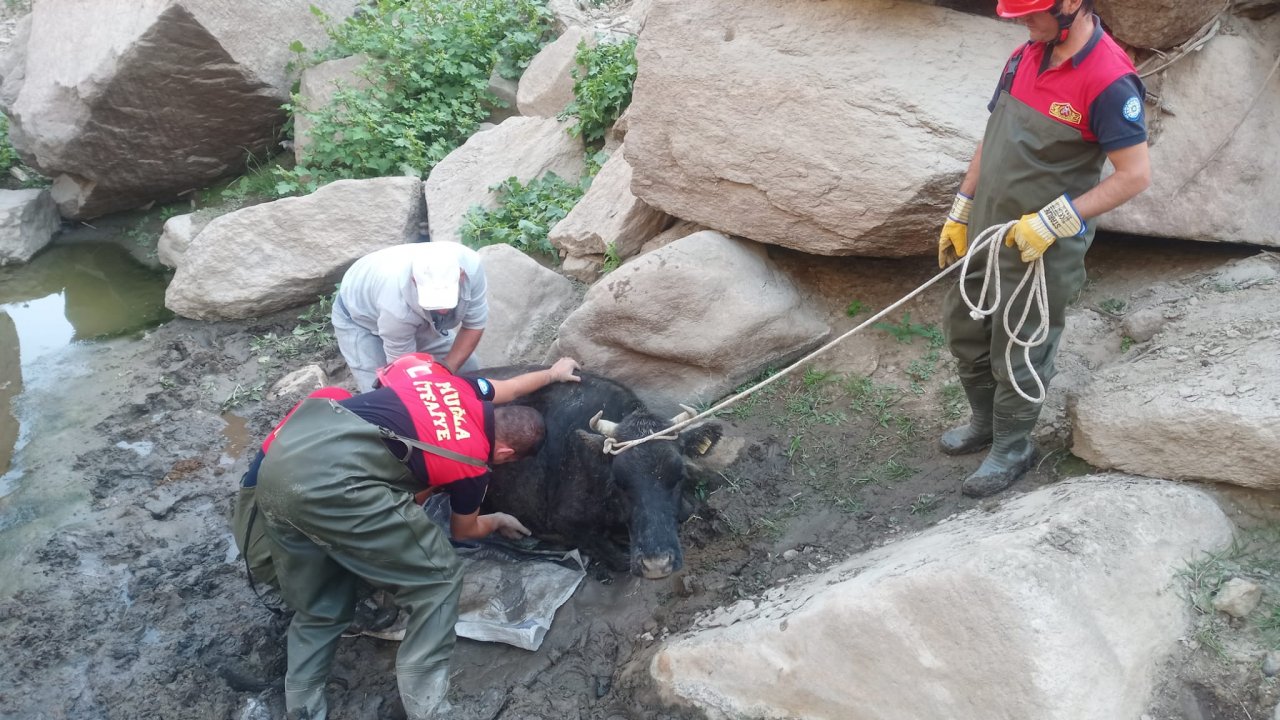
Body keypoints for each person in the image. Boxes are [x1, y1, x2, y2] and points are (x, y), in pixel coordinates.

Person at [245, 354, 581, 720]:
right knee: (439, 581)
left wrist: (552, 373)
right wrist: (497, 518)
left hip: (281, 464)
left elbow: (510, 388)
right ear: (504, 452)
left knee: (321, 602)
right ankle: (429, 709)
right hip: (335, 484)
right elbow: (463, 530)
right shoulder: (471, 464)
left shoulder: (455, 386)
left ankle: (303, 707)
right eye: (508, 462)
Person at [936, 0, 1150, 498]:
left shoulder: (1110, 80)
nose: (1020, 23)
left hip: (1042, 246)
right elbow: (993, 133)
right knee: (965, 327)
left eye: (1031, 13)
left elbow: (1135, 176)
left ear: (1071, 4)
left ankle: (1012, 447)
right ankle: (984, 423)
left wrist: (1055, 221)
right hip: (990, 227)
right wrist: (963, 205)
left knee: (1021, 344)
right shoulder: (1025, 55)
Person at [332, 242, 488, 393]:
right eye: (435, 301)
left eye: (447, 299)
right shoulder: (395, 305)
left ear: (461, 275)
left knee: (467, 369)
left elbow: (474, 325)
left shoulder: (471, 268)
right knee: (381, 395)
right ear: (414, 280)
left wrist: (447, 369)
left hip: (408, 314)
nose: (442, 311)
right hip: (359, 319)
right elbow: (403, 371)